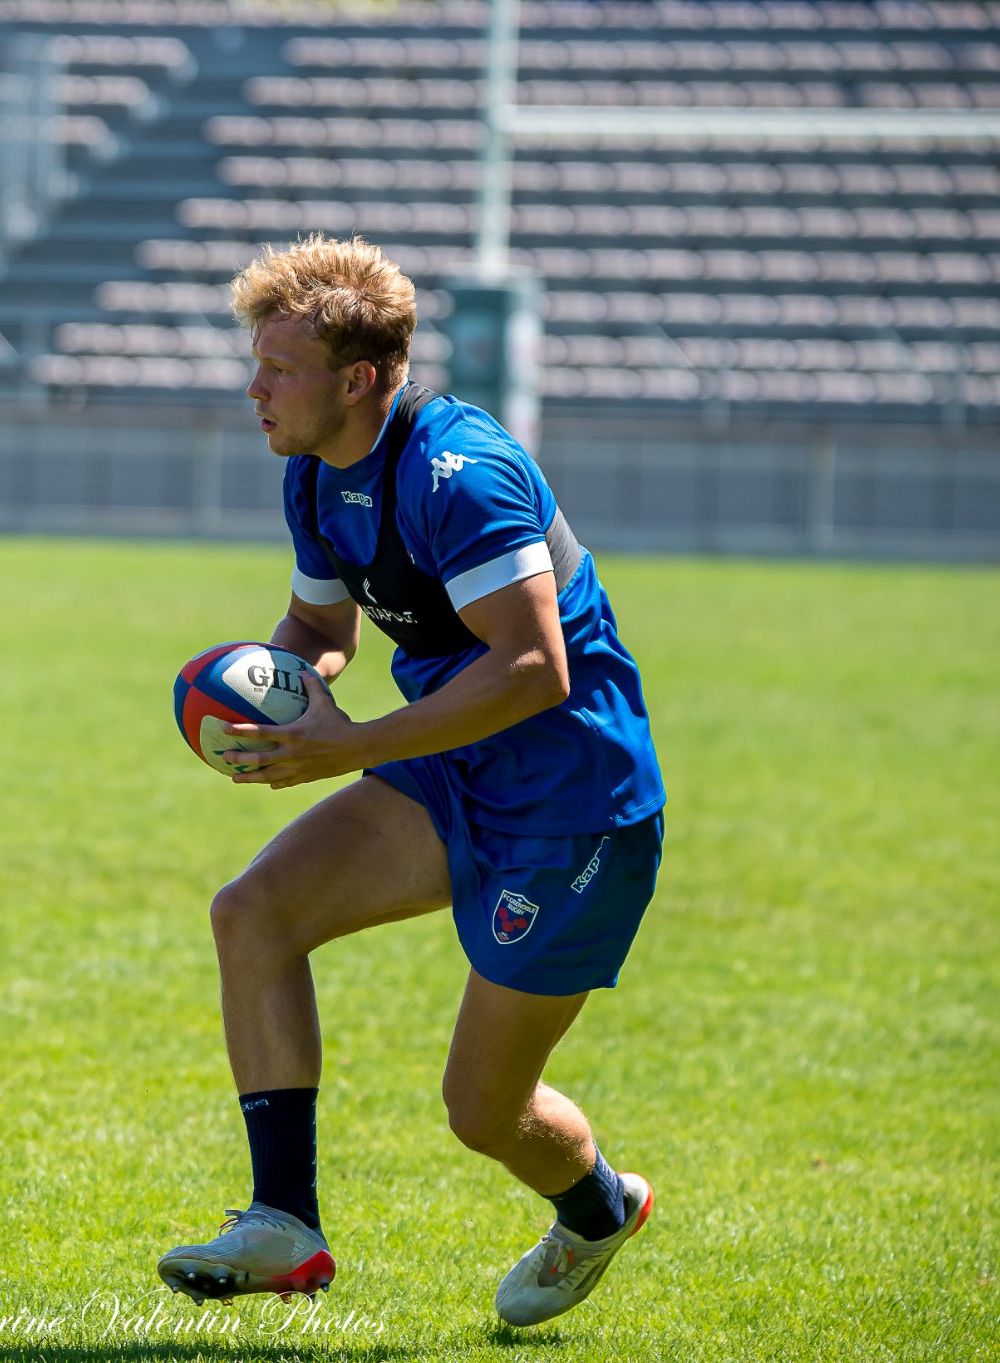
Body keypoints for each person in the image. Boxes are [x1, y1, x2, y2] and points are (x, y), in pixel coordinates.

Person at [155, 234, 666, 1328]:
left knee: (481, 1111)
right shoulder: (314, 472)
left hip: (570, 804)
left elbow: (534, 668)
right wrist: (285, 688)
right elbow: (316, 622)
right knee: (253, 913)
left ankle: (594, 1207)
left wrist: (348, 745)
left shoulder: (456, 475)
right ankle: (281, 1222)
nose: (253, 389)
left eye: (275, 369)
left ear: (357, 379)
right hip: (448, 763)